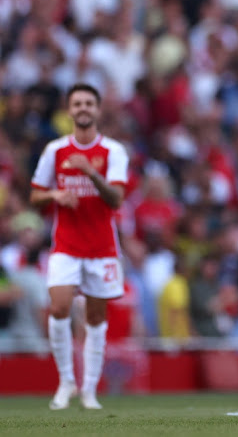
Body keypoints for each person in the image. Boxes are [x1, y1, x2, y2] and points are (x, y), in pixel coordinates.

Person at [30, 83, 129, 410]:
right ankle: (66, 382)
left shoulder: (113, 151)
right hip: (66, 246)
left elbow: (116, 198)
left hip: (101, 248)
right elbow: (35, 194)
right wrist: (55, 195)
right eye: (78, 103)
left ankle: (89, 389)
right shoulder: (55, 150)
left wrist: (90, 173)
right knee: (58, 308)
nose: (83, 108)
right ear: (69, 110)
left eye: (89, 103)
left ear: (97, 110)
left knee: (96, 316)